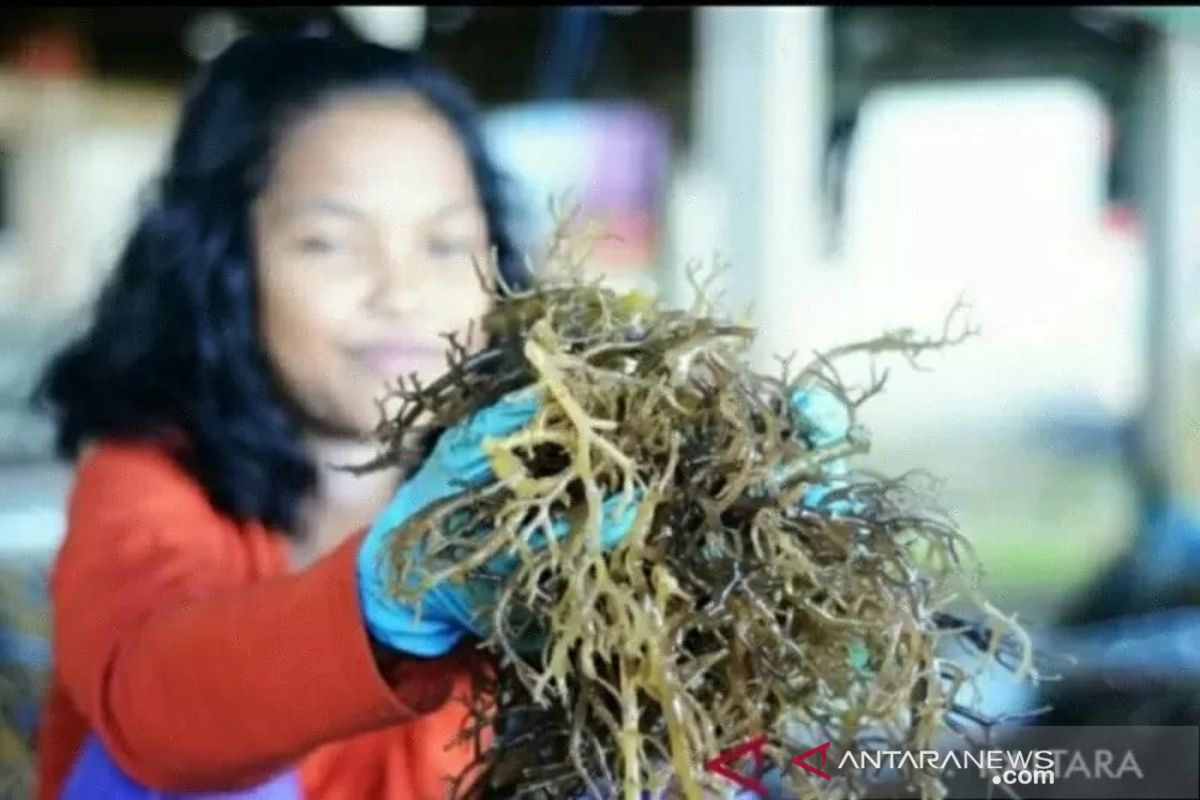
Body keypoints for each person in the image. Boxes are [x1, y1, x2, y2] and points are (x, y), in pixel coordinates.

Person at [32, 29, 854, 800]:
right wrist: (386, 601)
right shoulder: (148, 481)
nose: (400, 291)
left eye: (443, 244)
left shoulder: (545, 499)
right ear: (220, 268)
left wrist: (742, 583)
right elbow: (154, 707)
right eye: (330, 241)